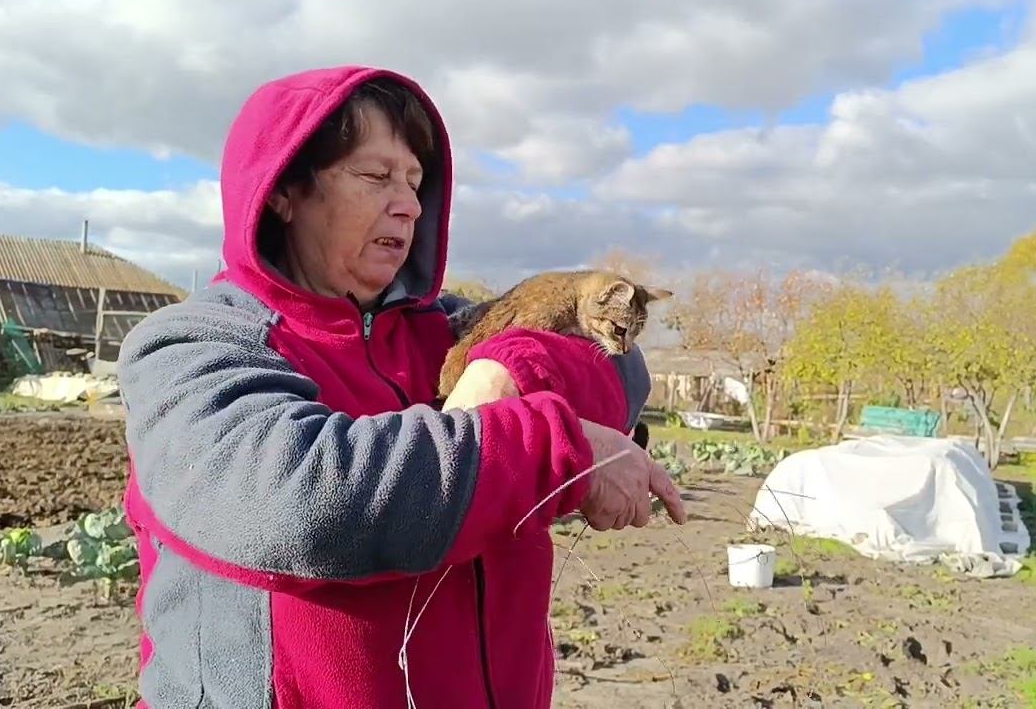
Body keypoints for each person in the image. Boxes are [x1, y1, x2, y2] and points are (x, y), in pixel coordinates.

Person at [116, 65, 687, 709]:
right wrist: (561, 447)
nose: (410, 203)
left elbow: (622, 367)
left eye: (416, 181)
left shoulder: (447, 330)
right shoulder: (192, 345)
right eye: (375, 176)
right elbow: (298, 504)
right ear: (284, 191)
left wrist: (510, 369)